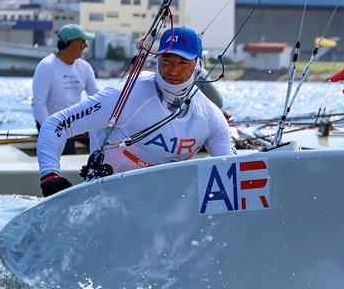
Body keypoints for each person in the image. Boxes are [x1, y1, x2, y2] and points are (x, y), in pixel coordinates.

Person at [37, 26, 234, 197]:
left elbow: (230, 170)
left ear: (198, 65)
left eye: (183, 63)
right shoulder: (125, 96)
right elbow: (56, 124)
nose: (173, 71)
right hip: (108, 196)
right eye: (166, 61)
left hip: (165, 202)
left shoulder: (210, 116)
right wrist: (50, 175)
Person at [32, 24, 99, 154]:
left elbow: (97, 96)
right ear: (73, 43)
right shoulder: (46, 66)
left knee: (106, 140)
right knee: (69, 151)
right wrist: (51, 130)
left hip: (77, 123)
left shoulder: (85, 67)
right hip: (54, 124)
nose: (86, 46)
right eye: (83, 41)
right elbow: (38, 105)